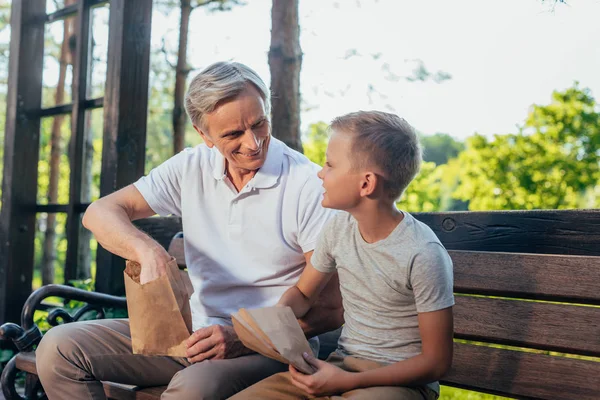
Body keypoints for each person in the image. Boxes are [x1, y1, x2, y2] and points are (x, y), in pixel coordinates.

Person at [35, 61, 343, 400]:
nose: (253, 143)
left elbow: (331, 309)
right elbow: (100, 212)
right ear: (204, 135)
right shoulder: (190, 166)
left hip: (273, 347)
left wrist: (242, 338)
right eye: (233, 134)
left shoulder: (307, 185)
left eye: (259, 124)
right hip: (189, 334)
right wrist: (146, 250)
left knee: (191, 389)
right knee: (58, 349)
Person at [230, 111, 455, 400]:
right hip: (338, 367)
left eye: (330, 164)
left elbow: (436, 363)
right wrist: (281, 323)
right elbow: (303, 293)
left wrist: (344, 383)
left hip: (399, 384)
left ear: (366, 184)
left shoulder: (423, 254)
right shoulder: (338, 227)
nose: (320, 173)